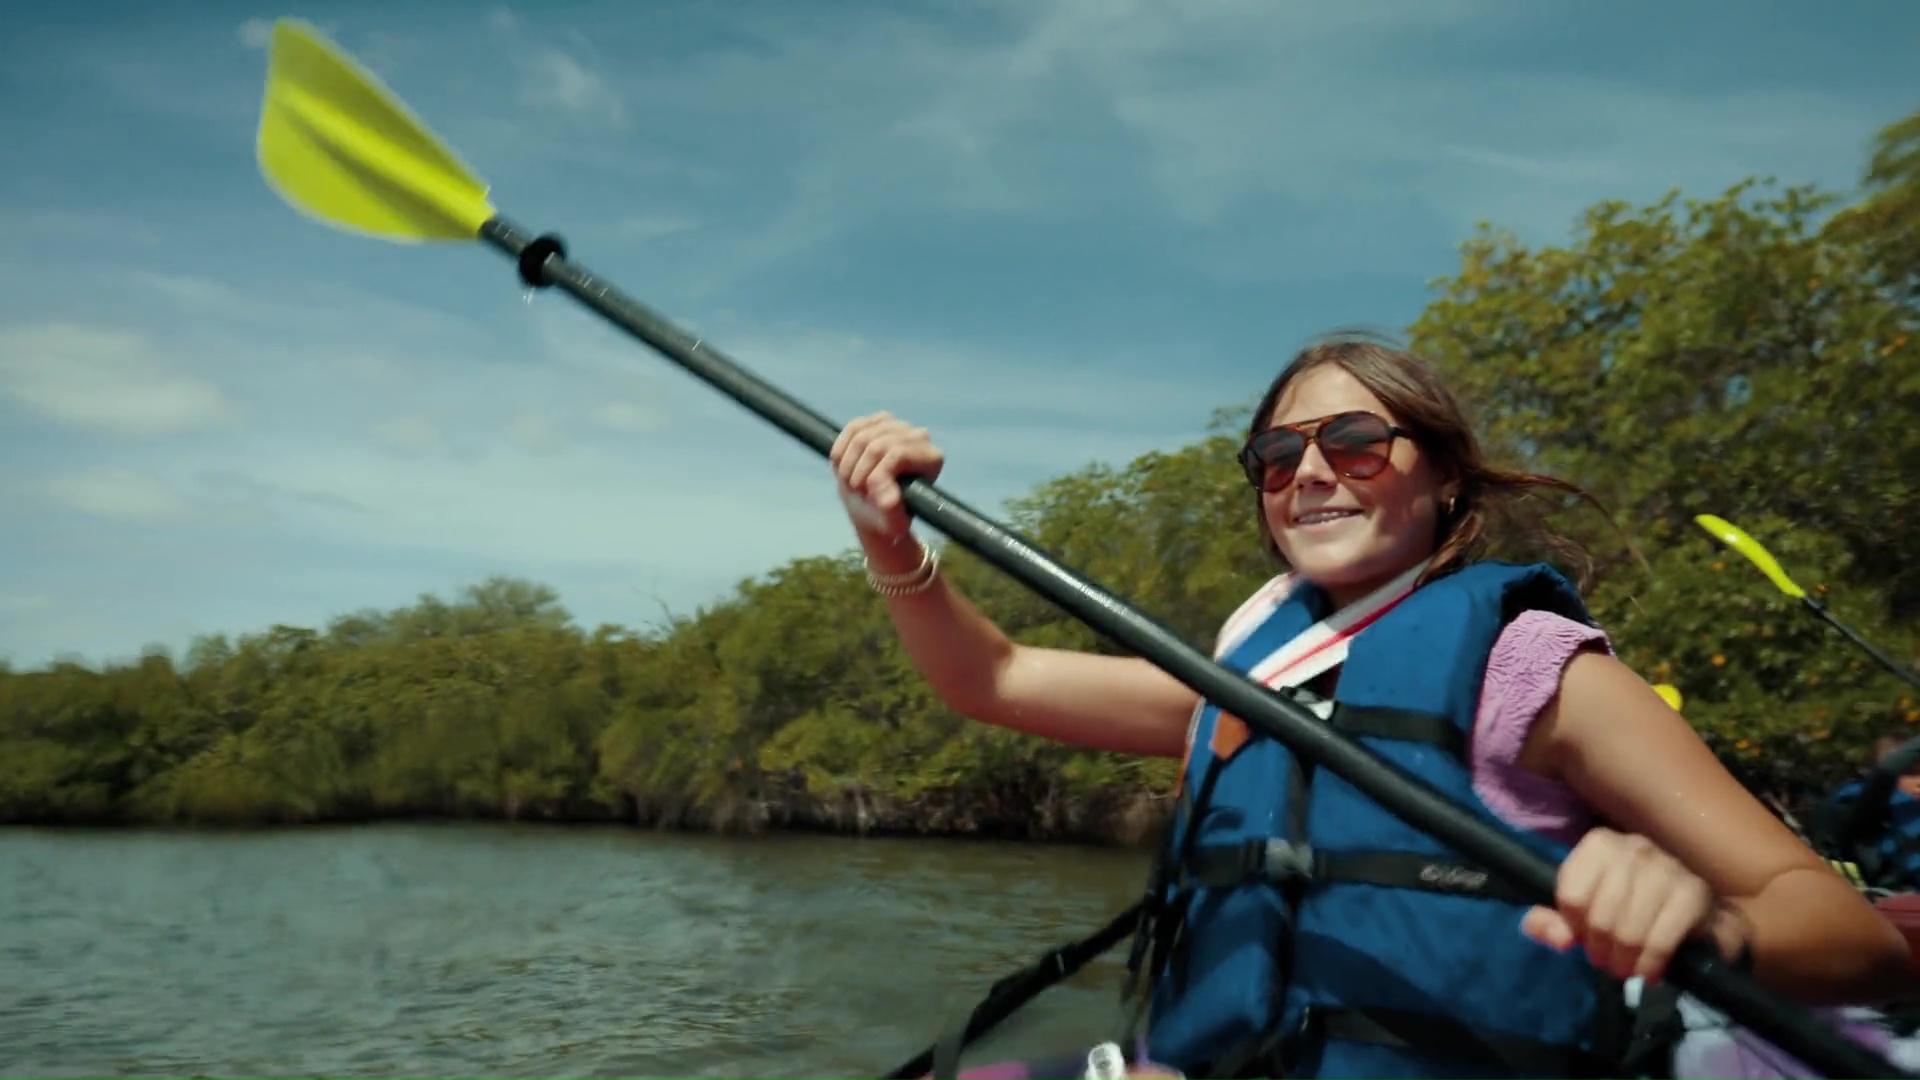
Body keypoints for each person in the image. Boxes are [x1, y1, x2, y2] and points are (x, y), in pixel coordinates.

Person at [831, 334, 1911, 1080]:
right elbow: (995, 680)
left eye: (1355, 442)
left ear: (1442, 477)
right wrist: (889, 538)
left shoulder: (1530, 666)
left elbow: (1849, 938)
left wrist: (1704, 923)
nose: (1310, 472)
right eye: (1277, 454)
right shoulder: (1248, 672)